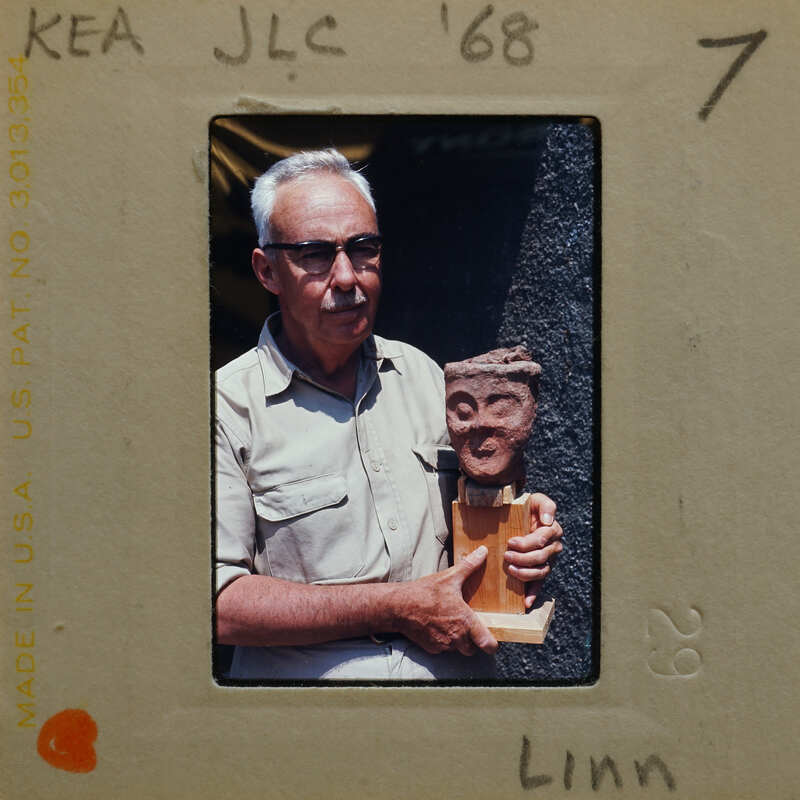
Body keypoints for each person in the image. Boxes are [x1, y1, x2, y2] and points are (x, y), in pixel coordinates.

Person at [214, 149, 564, 680]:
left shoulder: (426, 377)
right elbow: (218, 604)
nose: (347, 277)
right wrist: (395, 606)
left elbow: (483, 514)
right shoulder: (224, 407)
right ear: (267, 271)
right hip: (308, 723)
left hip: (455, 705)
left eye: (363, 249)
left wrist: (523, 530)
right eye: (313, 254)